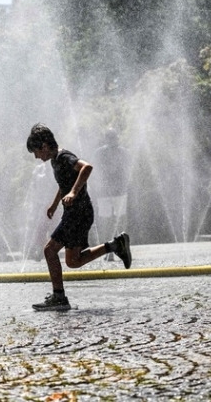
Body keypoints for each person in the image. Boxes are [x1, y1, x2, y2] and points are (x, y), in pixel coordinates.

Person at [26, 123, 132, 311]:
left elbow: (87, 168)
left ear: (44, 146)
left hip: (78, 213)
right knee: (72, 261)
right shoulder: (54, 160)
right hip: (76, 213)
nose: (36, 156)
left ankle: (59, 298)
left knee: (50, 250)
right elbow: (65, 183)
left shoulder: (64, 156)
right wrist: (54, 203)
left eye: (36, 151)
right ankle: (116, 245)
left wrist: (74, 193)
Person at [91, 128, 130, 261]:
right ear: (106, 139)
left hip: (118, 192)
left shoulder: (123, 152)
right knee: (107, 222)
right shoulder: (100, 153)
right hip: (105, 193)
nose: (113, 140)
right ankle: (109, 250)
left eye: (114, 137)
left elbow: (127, 171)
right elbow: (96, 172)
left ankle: (121, 247)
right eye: (110, 137)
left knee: (119, 221)